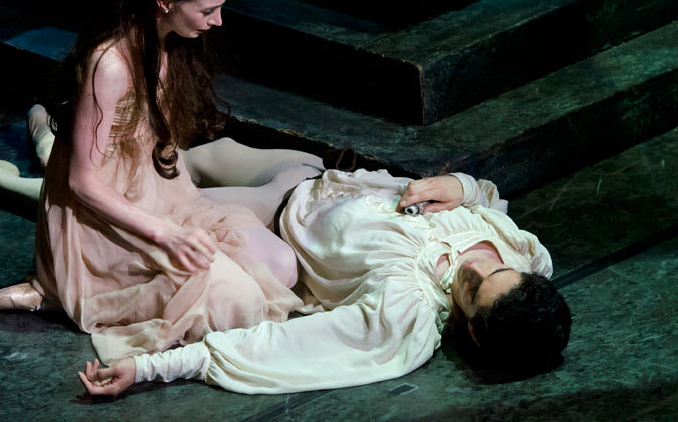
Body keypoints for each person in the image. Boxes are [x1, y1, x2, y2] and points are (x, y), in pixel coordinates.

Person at [0, 0, 320, 363]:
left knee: (281, 268)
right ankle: (52, 270)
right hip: (102, 207)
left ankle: (43, 135)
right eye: (207, 10)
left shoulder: (166, 41)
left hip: (151, 182)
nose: (218, 21)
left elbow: (135, 138)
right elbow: (84, 182)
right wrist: (165, 235)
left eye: (221, 6)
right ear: (164, 2)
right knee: (238, 304)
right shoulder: (112, 64)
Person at [76, 168, 572, 396]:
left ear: (477, 333)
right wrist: (460, 186)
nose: (473, 267)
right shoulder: (528, 256)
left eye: (472, 287)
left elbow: (279, 346)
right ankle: (57, 142)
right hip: (317, 172)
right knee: (171, 152)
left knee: (127, 198)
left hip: (269, 218)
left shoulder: (406, 315)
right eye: (494, 269)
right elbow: (487, 196)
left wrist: (147, 368)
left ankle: (33, 168)